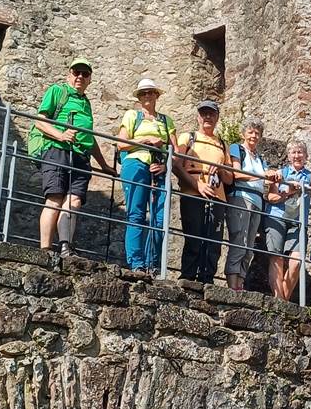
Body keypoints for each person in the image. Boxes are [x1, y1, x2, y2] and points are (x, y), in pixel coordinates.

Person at [33, 58, 114, 255]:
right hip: (57, 150)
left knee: (74, 201)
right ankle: (45, 249)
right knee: (55, 198)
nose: (80, 76)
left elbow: (89, 137)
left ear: (89, 79)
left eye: (85, 74)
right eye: (76, 72)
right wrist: (61, 134)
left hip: (80, 156)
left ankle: (65, 246)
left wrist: (103, 165)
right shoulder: (57, 91)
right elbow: (39, 121)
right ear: (69, 73)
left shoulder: (85, 102)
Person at [115, 78, 177, 273]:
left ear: (157, 95)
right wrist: (146, 140)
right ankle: (137, 263)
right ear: (139, 98)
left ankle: (154, 263)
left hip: (159, 169)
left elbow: (175, 151)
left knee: (159, 219)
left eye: (150, 92)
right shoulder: (132, 115)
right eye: (143, 93)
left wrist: (166, 167)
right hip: (136, 164)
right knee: (136, 214)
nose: (147, 96)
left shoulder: (166, 121)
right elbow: (121, 144)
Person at [176, 100, 234, 284]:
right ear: (198, 117)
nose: (207, 117)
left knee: (214, 240)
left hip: (217, 196)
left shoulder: (223, 144)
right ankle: (188, 277)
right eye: (204, 113)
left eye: (211, 114)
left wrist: (221, 169)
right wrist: (197, 185)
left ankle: (207, 278)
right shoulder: (188, 137)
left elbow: (230, 178)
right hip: (193, 193)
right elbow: (176, 164)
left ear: (217, 118)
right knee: (193, 235)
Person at [261, 140, 311, 300]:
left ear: (306, 156)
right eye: (293, 152)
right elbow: (272, 198)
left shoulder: (310, 175)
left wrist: (304, 187)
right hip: (277, 216)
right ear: (288, 156)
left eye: (300, 152)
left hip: (298, 222)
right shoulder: (281, 173)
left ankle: (282, 301)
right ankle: (279, 300)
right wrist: (288, 191)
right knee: (277, 258)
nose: (297, 155)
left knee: (296, 262)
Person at [224, 119, 280, 291]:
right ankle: (232, 284)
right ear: (243, 134)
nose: (254, 135)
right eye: (251, 132)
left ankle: (240, 282)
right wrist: (263, 175)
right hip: (241, 197)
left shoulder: (260, 158)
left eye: (257, 133)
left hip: (257, 201)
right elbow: (237, 174)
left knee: (249, 246)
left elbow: (265, 181)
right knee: (239, 240)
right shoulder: (237, 149)